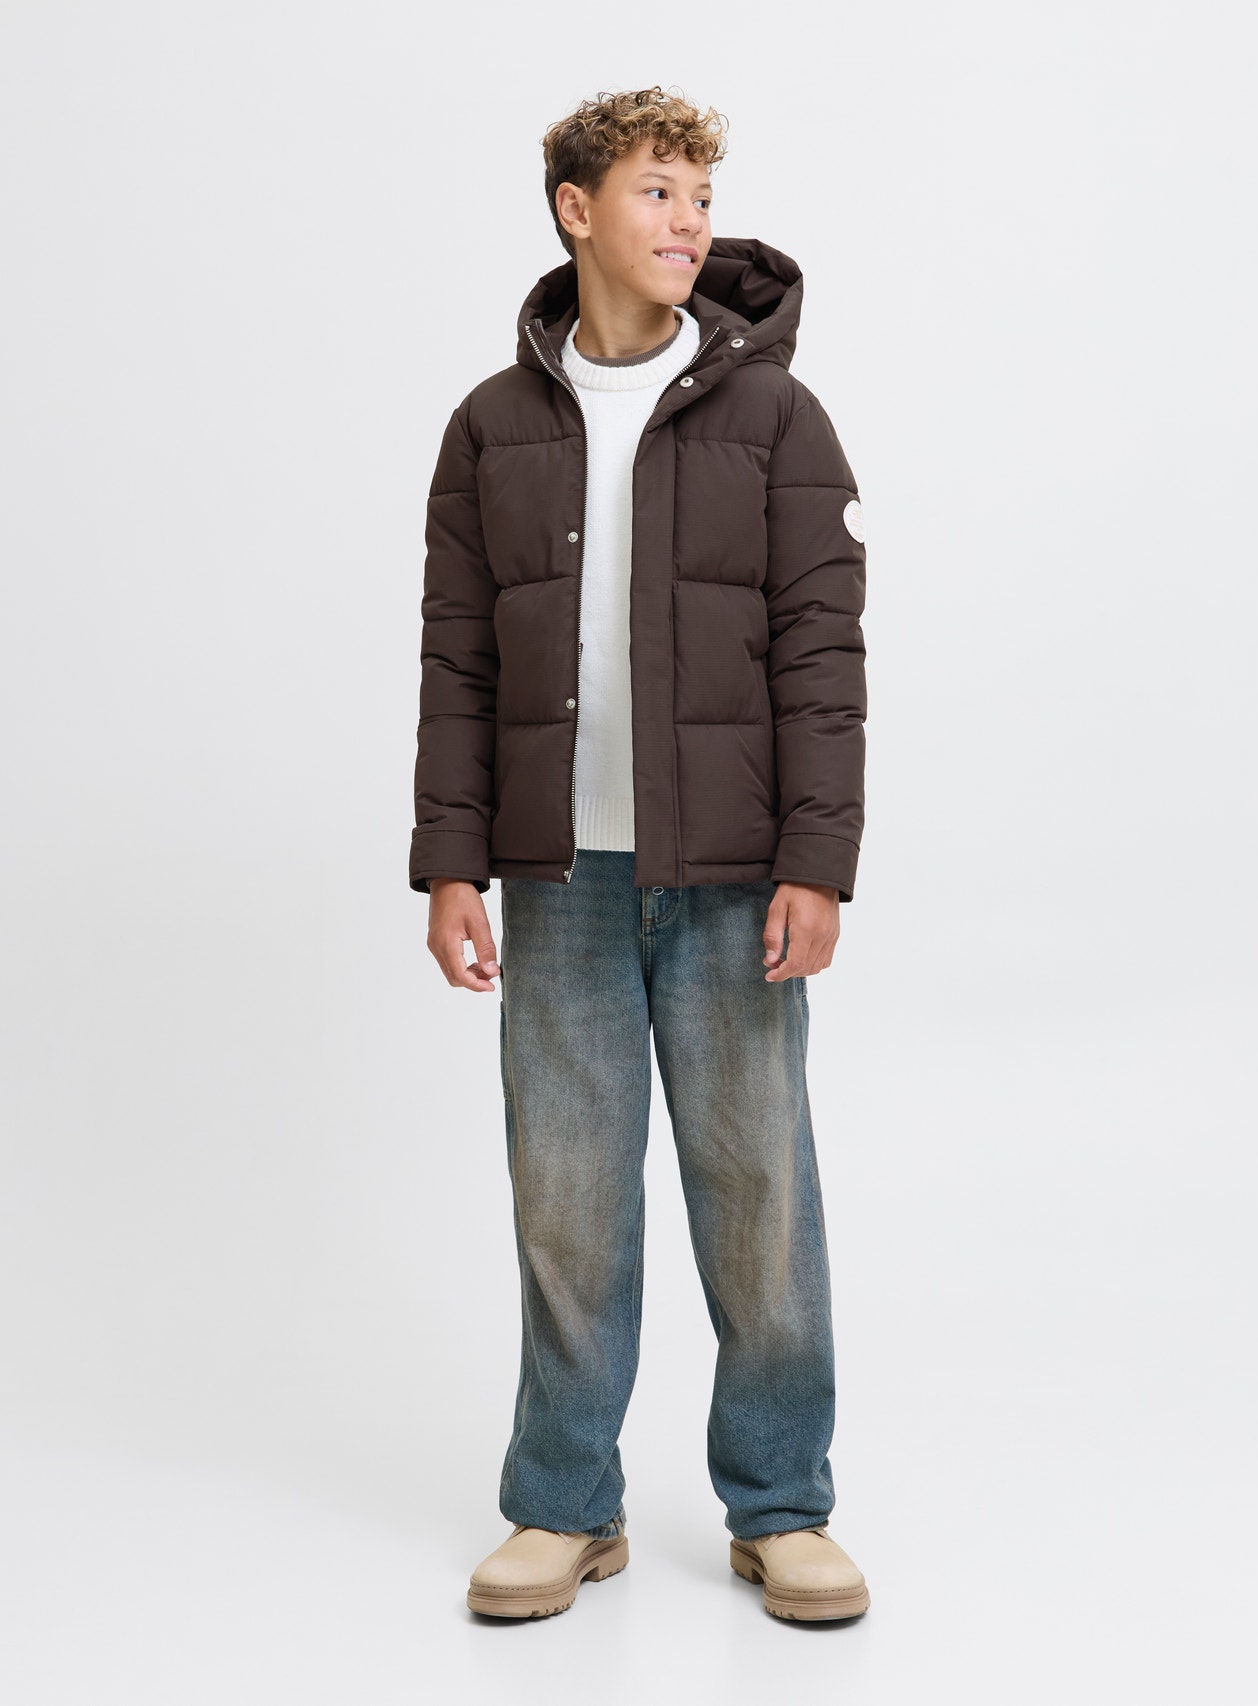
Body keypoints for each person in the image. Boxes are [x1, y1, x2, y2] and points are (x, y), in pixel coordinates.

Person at [409, 86, 870, 1624]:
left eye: (701, 196)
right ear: (576, 208)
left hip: (734, 879)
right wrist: (452, 859)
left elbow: (822, 654)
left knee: (758, 1194)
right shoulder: (492, 426)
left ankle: (781, 1504)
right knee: (566, 1199)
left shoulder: (776, 419)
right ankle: (564, 1504)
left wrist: (818, 857)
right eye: (659, 190)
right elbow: (458, 662)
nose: (690, 221)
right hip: (558, 881)